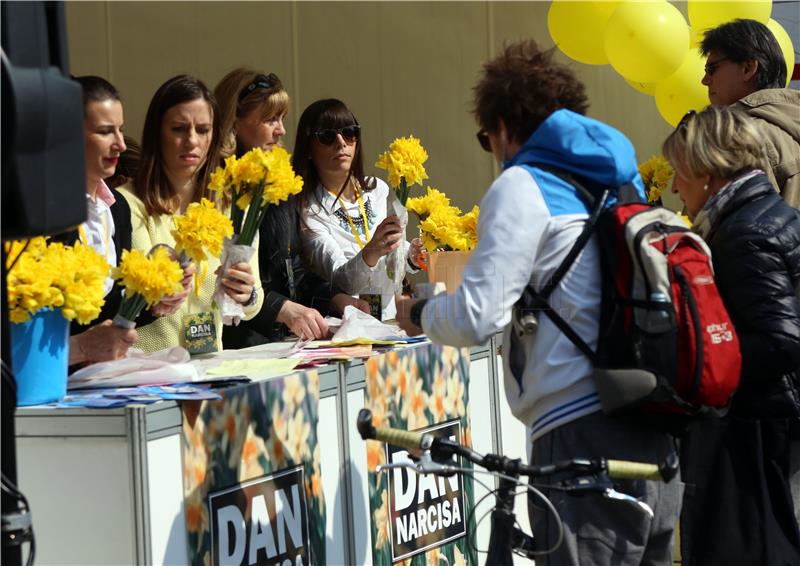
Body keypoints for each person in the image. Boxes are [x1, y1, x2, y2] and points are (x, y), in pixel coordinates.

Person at [396, 40, 681, 565]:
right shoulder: (617, 186)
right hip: (653, 430)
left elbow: (477, 317)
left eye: (486, 138)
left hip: (579, 435)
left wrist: (419, 312)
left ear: (503, 129)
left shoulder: (522, 186)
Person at [663, 106, 800, 565]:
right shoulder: (768, 213)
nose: (674, 187)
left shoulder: (744, 233)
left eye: (679, 172)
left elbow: (781, 340)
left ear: (706, 170)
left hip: (763, 431)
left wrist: (705, 358)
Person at [213, 68, 367, 346]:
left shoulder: (277, 183)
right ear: (234, 122)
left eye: (282, 119)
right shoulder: (214, 189)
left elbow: (292, 269)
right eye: (270, 119)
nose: (281, 130)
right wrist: (281, 309)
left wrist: (334, 298)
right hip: (232, 343)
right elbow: (223, 284)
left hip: (275, 342)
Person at [117, 75, 262, 353]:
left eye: (203, 129)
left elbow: (254, 305)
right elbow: (129, 300)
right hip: (148, 375)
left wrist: (246, 293)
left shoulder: (230, 202)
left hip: (209, 371)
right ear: (157, 132)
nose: (192, 141)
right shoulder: (128, 203)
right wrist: (158, 296)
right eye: (179, 129)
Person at [293, 98, 424, 321]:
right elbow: (339, 281)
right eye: (327, 136)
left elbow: (391, 255)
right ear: (308, 149)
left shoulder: (377, 189)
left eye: (349, 133)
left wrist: (412, 255)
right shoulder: (308, 208)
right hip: (347, 326)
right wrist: (371, 251)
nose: (341, 142)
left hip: (392, 320)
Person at [700, 18, 800, 208]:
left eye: (711, 69)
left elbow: (740, 231)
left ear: (748, 68)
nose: (704, 80)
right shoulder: (792, 120)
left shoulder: (738, 136)